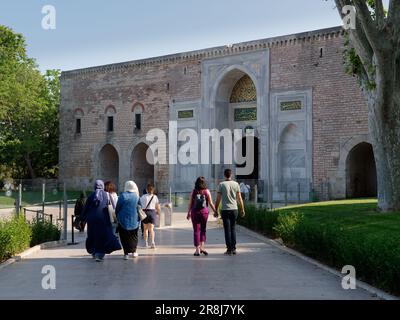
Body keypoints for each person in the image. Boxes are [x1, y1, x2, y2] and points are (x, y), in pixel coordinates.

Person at [79, 180, 122, 262]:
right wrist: (115, 219)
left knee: (93, 235)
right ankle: (100, 254)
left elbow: (85, 209)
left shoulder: (91, 196)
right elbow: (113, 207)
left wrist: (82, 219)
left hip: (92, 220)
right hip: (104, 219)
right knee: (103, 236)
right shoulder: (107, 195)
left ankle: (94, 252)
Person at [215, 169, 246, 256]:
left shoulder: (221, 184)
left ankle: (229, 249)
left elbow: (218, 199)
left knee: (227, 230)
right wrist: (242, 209)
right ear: (231, 175)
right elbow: (239, 198)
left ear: (224, 175)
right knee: (233, 229)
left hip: (225, 210)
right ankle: (234, 248)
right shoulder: (236, 184)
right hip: (234, 209)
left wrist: (215, 210)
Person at [187, 177, 217, 256]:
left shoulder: (194, 191)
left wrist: (188, 213)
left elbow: (190, 203)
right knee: (203, 229)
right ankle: (202, 247)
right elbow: (210, 203)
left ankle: (197, 250)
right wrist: (215, 211)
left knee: (196, 230)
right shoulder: (206, 191)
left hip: (195, 212)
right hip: (204, 213)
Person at [116, 181, 141, 260]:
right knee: (134, 236)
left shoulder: (122, 196)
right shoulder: (137, 196)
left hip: (123, 220)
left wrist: (117, 215)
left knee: (124, 237)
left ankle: (126, 253)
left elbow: (118, 208)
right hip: (134, 220)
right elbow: (140, 207)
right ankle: (134, 252)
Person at [140, 184, 161, 249]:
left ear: (146, 190)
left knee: (145, 229)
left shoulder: (143, 197)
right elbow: (157, 206)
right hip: (152, 212)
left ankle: (146, 243)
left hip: (145, 212)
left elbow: (140, 206)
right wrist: (158, 213)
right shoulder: (155, 197)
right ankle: (152, 243)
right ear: (153, 190)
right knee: (151, 229)